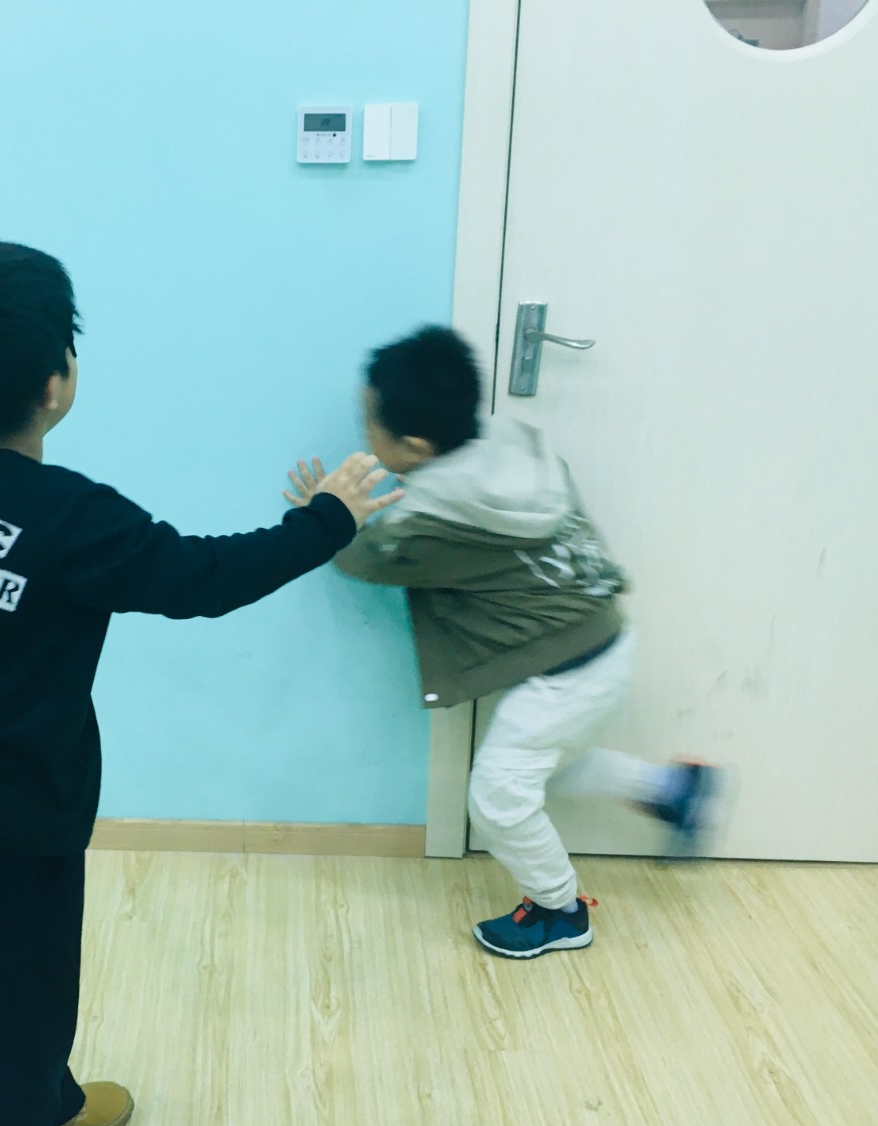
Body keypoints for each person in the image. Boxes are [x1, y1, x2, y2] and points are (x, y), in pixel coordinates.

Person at [0, 238, 400, 1126]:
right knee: (12, 1003)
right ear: (56, 383)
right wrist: (328, 520)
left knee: (18, 975)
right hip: (9, 801)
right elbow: (202, 579)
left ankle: (45, 1096)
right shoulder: (69, 515)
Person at [286, 325, 719, 960]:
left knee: (496, 795)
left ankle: (558, 910)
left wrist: (323, 515)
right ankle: (672, 791)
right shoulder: (510, 448)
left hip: (567, 668)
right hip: (601, 636)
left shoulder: (433, 517)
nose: (363, 436)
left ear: (414, 446)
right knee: (547, 764)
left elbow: (369, 559)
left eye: (367, 426)